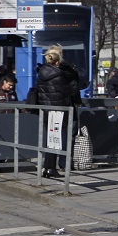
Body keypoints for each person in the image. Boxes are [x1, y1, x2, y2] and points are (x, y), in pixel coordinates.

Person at [31, 45, 81, 179]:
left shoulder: (42, 73)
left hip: (46, 110)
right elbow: (69, 90)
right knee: (60, 138)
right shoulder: (59, 74)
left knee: (51, 139)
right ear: (58, 61)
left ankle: (48, 167)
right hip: (59, 110)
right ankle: (57, 166)